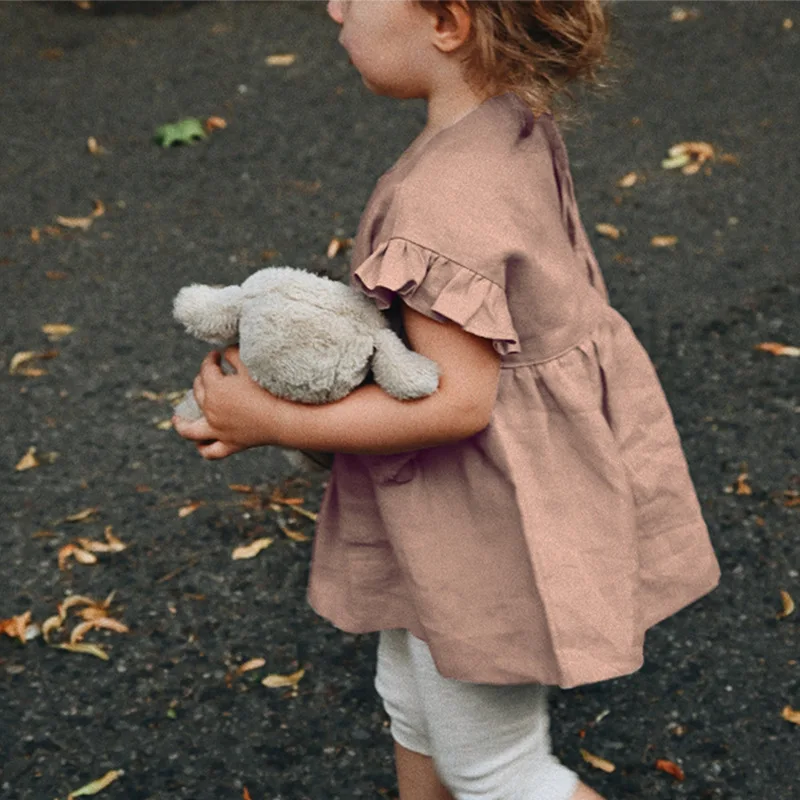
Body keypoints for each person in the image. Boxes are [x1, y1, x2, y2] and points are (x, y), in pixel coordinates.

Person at [173, 2, 722, 798]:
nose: (333, 6)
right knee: (413, 707)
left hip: (483, 519)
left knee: (498, 770)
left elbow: (459, 402)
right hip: (480, 502)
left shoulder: (440, 203)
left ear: (448, 22)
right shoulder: (510, 122)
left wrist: (271, 420)